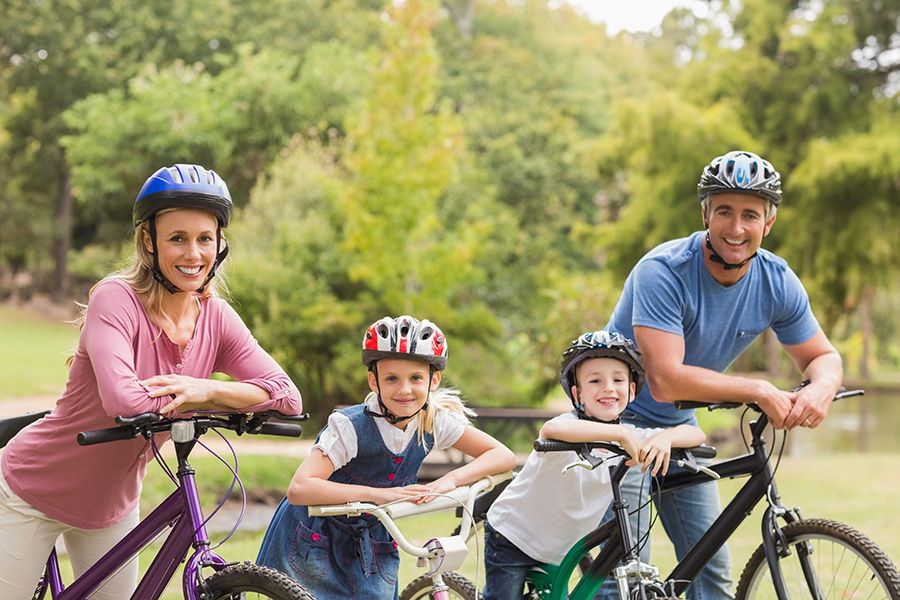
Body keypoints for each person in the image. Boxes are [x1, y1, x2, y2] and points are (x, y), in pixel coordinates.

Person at [0, 164, 303, 598]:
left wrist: (208, 391)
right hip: (32, 492)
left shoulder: (216, 317)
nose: (193, 253)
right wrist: (227, 397)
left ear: (220, 244)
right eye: (177, 238)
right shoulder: (115, 298)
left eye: (204, 239)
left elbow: (287, 396)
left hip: (111, 509)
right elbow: (125, 399)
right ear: (149, 242)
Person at [597, 150, 843, 600]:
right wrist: (757, 388)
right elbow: (665, 380)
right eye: (724, 211)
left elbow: (822, 356)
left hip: (676, 427)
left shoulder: (776, 280)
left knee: (709, 573)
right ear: (705, 212)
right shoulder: (664, 271)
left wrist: (822, 387)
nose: (736, 228)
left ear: (769, 222)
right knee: (626, 577)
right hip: (614, 424)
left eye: (750, 214)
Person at [256, 315, 516, 599]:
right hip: (313, 538)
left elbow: (502, 455)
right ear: (374, 380)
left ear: (434, 379)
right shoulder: (350, 426)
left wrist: (448, 482)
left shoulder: (433, 419)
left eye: (416, 378)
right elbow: (300, 488)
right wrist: (380, 495)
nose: (404, 390)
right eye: (392, 378)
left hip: (372, 540)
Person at [482, 330, 706, 600]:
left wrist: (666, 438)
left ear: (632, 390)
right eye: (596, 380)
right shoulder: (569, 428)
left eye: (618, 379)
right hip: (512, 537)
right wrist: (620, 435)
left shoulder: (633, 435)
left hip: (559, 549)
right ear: (578, 393)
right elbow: (551, 429)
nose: (608, 387)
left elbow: (696, 434)